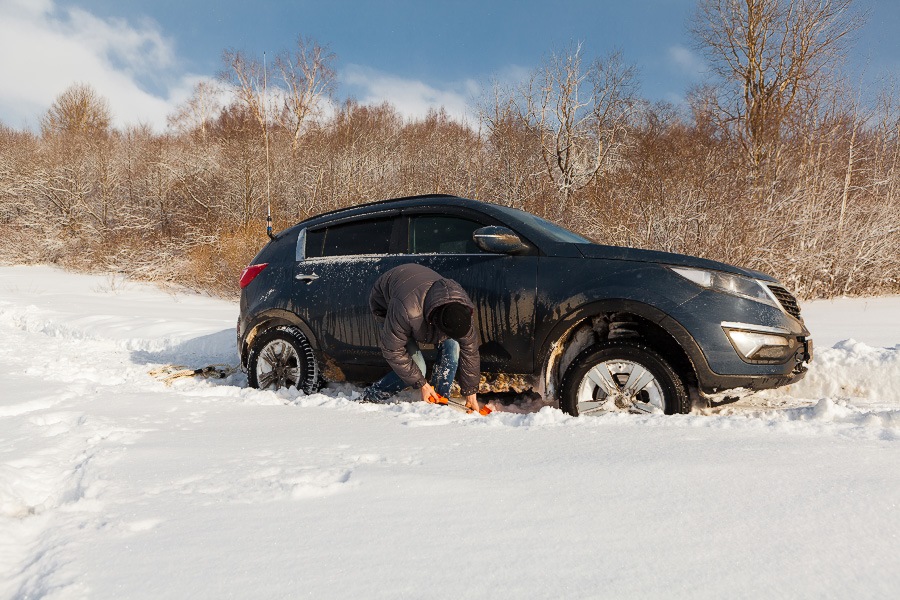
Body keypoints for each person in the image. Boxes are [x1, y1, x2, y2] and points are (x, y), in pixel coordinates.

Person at [361, 263, 482, 413]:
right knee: (418, 367)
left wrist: (471, 394)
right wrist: (422, 385)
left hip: (424, 300)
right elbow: (392, 350)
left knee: (454, 345)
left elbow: (470, 351)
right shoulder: (406, 310)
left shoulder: (461, 312)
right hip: (390, 303)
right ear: (435, 324)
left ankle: (438, 402)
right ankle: (371, 396)